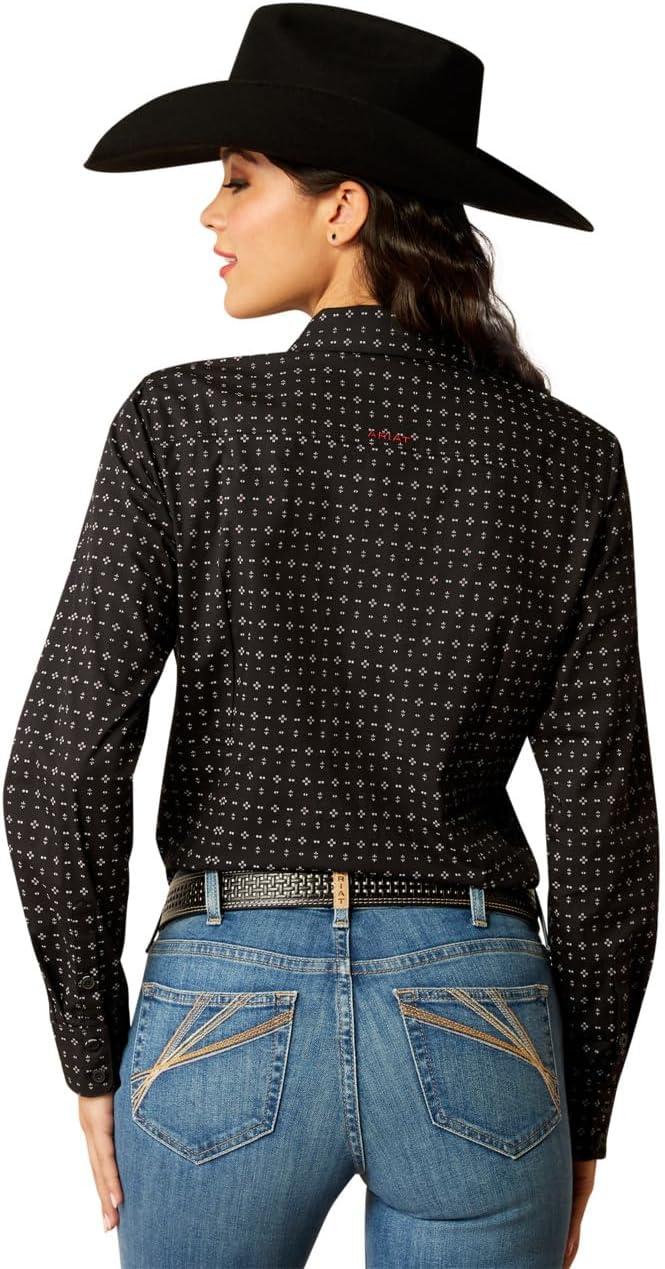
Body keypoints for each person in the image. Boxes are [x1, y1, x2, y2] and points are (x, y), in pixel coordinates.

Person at [3, 6, 658, 1268]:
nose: (209, 215)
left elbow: (59, 769)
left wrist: (92, 1053)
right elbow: (606, 823)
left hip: (222, 1004)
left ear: (343, 208)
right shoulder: (567, 460)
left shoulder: (181, 425)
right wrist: (580, 1112)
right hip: (479, 1017)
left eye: (237, 179)